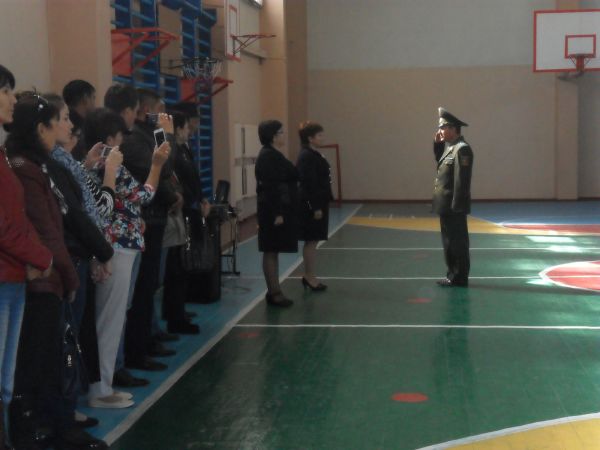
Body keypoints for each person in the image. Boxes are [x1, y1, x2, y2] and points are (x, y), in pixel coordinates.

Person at [6, 94, 106, 450]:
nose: (67, 126)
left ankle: (51, 424)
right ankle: (43, 428)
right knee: (38, 361)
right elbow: (48, 228)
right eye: (59, 120)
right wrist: (63, 269)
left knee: (46, 357)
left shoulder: (35, 165)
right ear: (40, 128)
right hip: (40, 275)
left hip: (45, 271)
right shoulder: (26, 167)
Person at [85, 107, 170, 409]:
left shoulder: (90, 166)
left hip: (113, 246)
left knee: (108, 318)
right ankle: (101, 389)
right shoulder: (110, 166)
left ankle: (102, 384)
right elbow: (143, 195)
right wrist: (157, 165)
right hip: (117, 248)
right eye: (120, 136)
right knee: (110, 320)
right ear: (110, 138)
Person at [0, 66, 53, 450]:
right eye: (5, 91)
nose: (11, 100)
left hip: (13, 276)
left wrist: (34, 258)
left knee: (5, 383)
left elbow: (16, 217)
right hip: (4, 278)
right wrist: (41, 256)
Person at [255, 120, 299, 307]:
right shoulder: (268, 157)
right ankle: (274, 292)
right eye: (281, 132)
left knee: (273, 250)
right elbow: (270, 187)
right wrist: (277, 213)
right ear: (273, 136)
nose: (284, 135)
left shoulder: (273, 154)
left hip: (276, 210)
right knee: (271, 250)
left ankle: (274, 290)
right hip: (271, 211)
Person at [432, 107, 474, 287]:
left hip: (454, 207)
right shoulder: (451, 148)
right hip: (447, 206)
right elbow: (440, 163)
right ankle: (453, 275)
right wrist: (437, 144)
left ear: (452, 128)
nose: (440, 131)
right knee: (449, 243)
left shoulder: (462, 150)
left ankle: (460, 277)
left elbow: (461, 181)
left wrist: (457, 207)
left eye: (443, 127)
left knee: (458, 243)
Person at [296, 121, 333, 292]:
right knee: (311, 241)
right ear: (310, 138)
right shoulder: (307, 156)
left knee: (314, 240)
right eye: (319, 135)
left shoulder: (313, 154)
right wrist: (315, 207)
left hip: (320, 202)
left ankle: (310, 275)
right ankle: (309, 276)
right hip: (313, 206)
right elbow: (308, 184)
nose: (322, 138)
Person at [62, 80, 96, 162]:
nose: (95, 103)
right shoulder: (77, 127)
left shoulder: (67, 123)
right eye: (93, 98)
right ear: (85, 98)